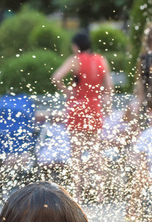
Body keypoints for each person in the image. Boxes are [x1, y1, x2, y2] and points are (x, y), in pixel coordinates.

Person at [52, 32, 113, 201]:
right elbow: (109, 87)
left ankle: (77, 194)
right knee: (96, 151)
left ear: (75, 46)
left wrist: (68, 92)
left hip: (78, 107)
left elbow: (56, 77)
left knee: (76, 152)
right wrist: (107, 106)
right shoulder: (102, 60)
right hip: (94, 106)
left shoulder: (75, 60)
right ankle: (100, 193)